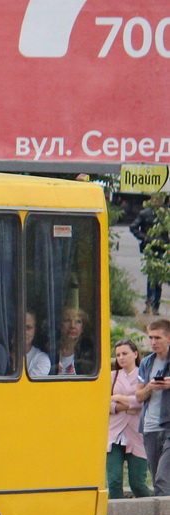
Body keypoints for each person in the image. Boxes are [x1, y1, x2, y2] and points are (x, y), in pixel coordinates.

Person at [108, 339, 150, 499]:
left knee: (137, 483)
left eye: (125, 353)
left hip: (136, 434)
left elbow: (143, 401)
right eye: (118, 355)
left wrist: (118, 397)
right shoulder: (112, 376)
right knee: (114, 481)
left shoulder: (144, 375)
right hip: (114, 434)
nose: (121, 357)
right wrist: (128, 404)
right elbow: (105, 403)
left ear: (135, 354)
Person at [136, 319, 170, 496]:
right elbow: (138, 396)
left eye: (157, 338)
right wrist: (150, 386)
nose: (153, 342)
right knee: (157, 477)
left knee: (162, 481)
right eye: (150, 338)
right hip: (150, 427)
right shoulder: (147, 363)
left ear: (168, 338)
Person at [131, 195, 168, 314]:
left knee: (159, 278)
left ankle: (155, 305)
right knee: (153, 277)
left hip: (163, 249)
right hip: (150, 248)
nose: (158, 202)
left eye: (160, 200)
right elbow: (133, 227)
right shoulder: (145, 213)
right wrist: (145, 238)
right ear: (151, 201)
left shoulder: (165, 214)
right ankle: (151, 304)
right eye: (156, 199)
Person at [56, 307, 94, 375]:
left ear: (82, 328)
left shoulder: (88, 353)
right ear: (60, 325)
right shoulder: (51, 349)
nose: (72, 326)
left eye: (78, 321)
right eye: (67, 320)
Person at [24, 310, 50, 378]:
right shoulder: (1, 356)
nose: (24, 332)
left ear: (35, 330)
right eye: (19, 327)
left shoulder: (41, 360)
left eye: (28, 328)